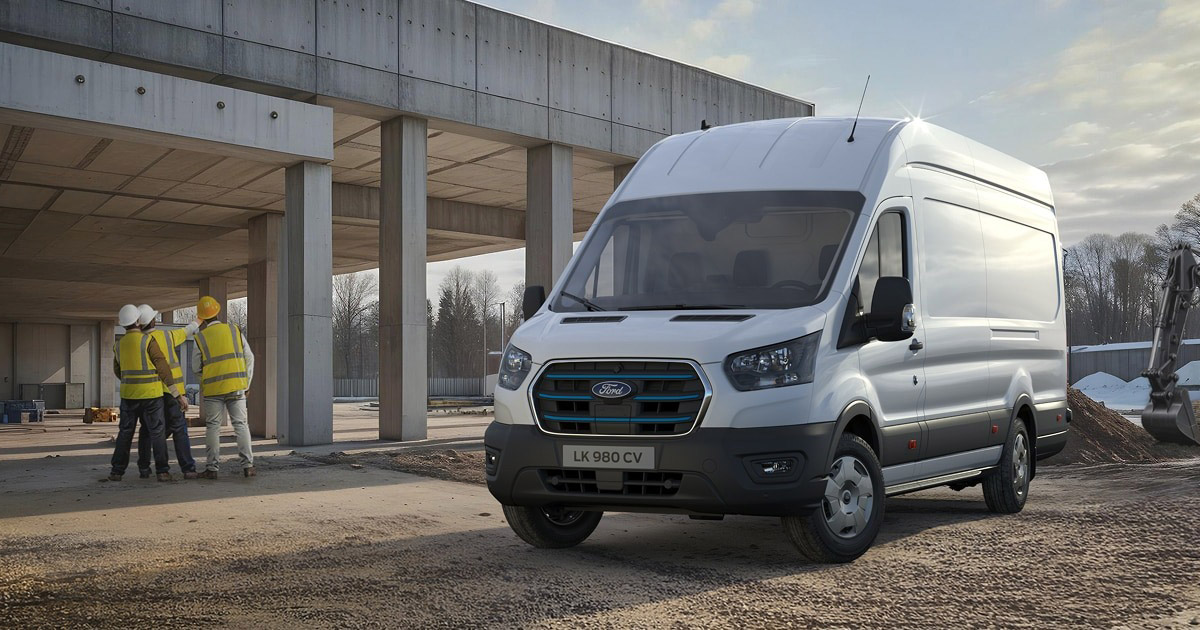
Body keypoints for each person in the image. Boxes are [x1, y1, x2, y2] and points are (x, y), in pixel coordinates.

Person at [109, 304, 186, 482]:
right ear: (138, 321)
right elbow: (163, 368)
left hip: (128, 396)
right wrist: (176, 394)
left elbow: (117, 369)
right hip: (151, 396)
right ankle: (162, 471)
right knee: (156, 433)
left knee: (125, 433)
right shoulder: (147, 341)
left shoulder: (119, 345)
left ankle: (117, 471)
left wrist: (131, 382)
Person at [192, 295, 256, 478]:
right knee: (241, 425)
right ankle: (248, 466)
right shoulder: (234, 330)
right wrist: (246, 383)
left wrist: (207, 380)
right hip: (237, 387)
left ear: (202, 317)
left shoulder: (200, 338)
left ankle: (212, 469)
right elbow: (249, 358)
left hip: (213, 391)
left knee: (213, 426)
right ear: (218, 312)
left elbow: (196, 367)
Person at [135, 304, 201, 480]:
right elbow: (188, 330)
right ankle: (188, 469)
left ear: (139, 325)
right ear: (154, 320)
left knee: (148, 431)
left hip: (149, 394)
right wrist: (201, 317)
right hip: (172, 393)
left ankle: (145, 468)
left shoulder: (139, 343)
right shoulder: (167, 336)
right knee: (179, 429)